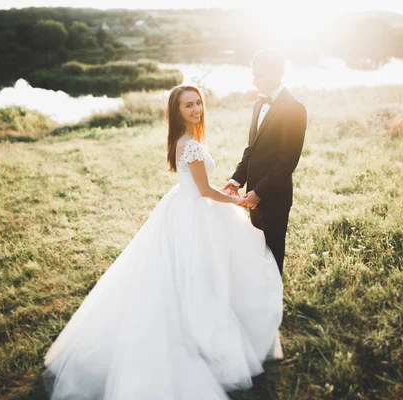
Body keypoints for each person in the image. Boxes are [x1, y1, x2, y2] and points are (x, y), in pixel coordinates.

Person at [41, 84, 283, 399]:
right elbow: (206, 191)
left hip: (183, 205)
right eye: (188, 106)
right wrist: (239, 201)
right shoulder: (191, 145)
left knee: (188, 273)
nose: (196, 109)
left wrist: (228, 190)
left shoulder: (183, 140)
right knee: (199, 275)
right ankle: (199, 337)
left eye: (198, 103)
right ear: (177, 111)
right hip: (194, 209)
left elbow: (200, 187)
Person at [223, 48, 308, 276]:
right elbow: (252, 149)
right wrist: (236, 180)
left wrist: (258, 193)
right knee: (257, 250)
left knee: (272, 253)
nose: (254, 80)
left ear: (273, 74)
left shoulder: (294, 108)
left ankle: (273, 305)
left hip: (275, 196)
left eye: (257, 75)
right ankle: (258, 297)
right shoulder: (259, 104)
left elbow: (287, 161)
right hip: (252, 194)